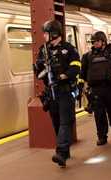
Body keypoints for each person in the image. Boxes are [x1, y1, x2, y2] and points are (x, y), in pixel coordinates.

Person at [34, 20, 81, 167]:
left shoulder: (69, 49)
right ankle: (65, 151)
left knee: (65, 122)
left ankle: (61, 153)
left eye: (46, 33)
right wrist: (41, 72)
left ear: (54, 34)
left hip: (65, 91)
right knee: (57, 123)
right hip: (51, 92)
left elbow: (76, 66)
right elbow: (38, 69)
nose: (44, 36)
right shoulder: (44, 50)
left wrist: (65, 75)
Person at [81, 31, 111, 146]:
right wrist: (85, 85)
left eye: (97, 41)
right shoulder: (88, 56)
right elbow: (83, 73)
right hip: (96, 89)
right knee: (99, 115)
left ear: (103, 41)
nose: (95, 44)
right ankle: (102, 136)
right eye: (93, 42)